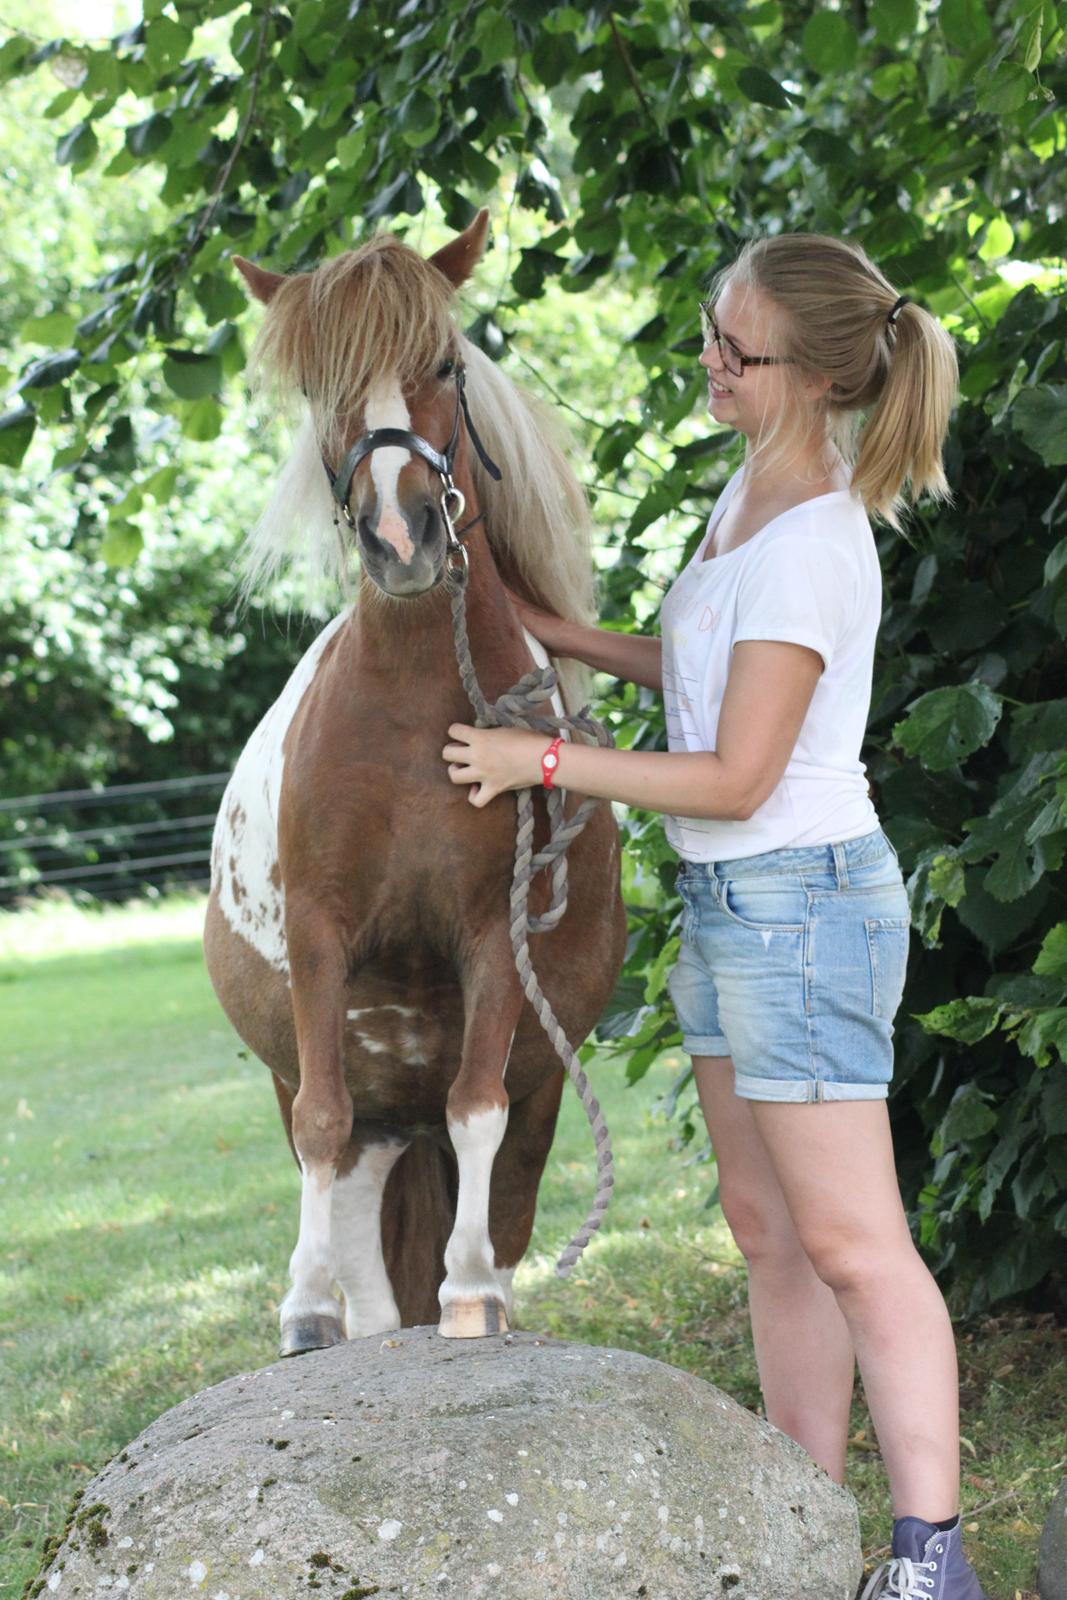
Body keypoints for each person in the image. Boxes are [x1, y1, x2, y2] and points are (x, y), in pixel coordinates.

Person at [441, 232, 986, 1600]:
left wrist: (541, 758)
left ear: (806, 377)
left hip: (799, 906)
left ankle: (933, 1560)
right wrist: (557, 635)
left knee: (857, 1243)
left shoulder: (815, 542)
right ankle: (807, 1507)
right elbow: (703, 672)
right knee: (766, 1225)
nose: (709, 363)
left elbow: (740, 774)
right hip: (736, 906)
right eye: (707, 331)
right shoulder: (747, 495)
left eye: (733, 350)